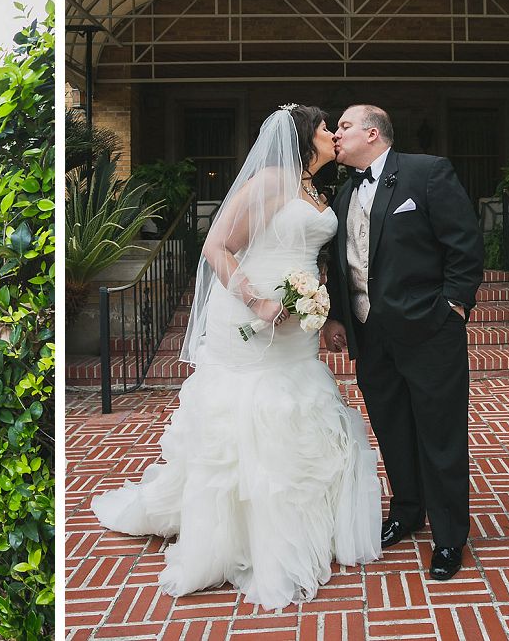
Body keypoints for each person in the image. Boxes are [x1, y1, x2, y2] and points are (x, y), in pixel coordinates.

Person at [93, 105, 382, 611]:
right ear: (301, 137)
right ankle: (241, 532)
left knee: (298, 403)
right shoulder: (271, 180)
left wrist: (317, 303)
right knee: (252, 411)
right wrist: (259, 301)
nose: (333, 133)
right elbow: (217, 247)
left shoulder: (316, 190)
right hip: (254, 315)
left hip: (298, 323)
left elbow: (313, 252)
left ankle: (307, 517)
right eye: (323, 127)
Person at [321, 105, 484, 582]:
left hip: (430, 333)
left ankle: (450, 536)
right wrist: (336, 315)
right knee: (393, 429)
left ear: (372, 133)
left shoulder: (426, 172)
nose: (337, 134)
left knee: (440, 434)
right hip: (372, 336)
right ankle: (408, 512)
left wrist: (452, 308)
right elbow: (343, 262)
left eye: (344, 126)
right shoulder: (343, 193)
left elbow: (465, 246)